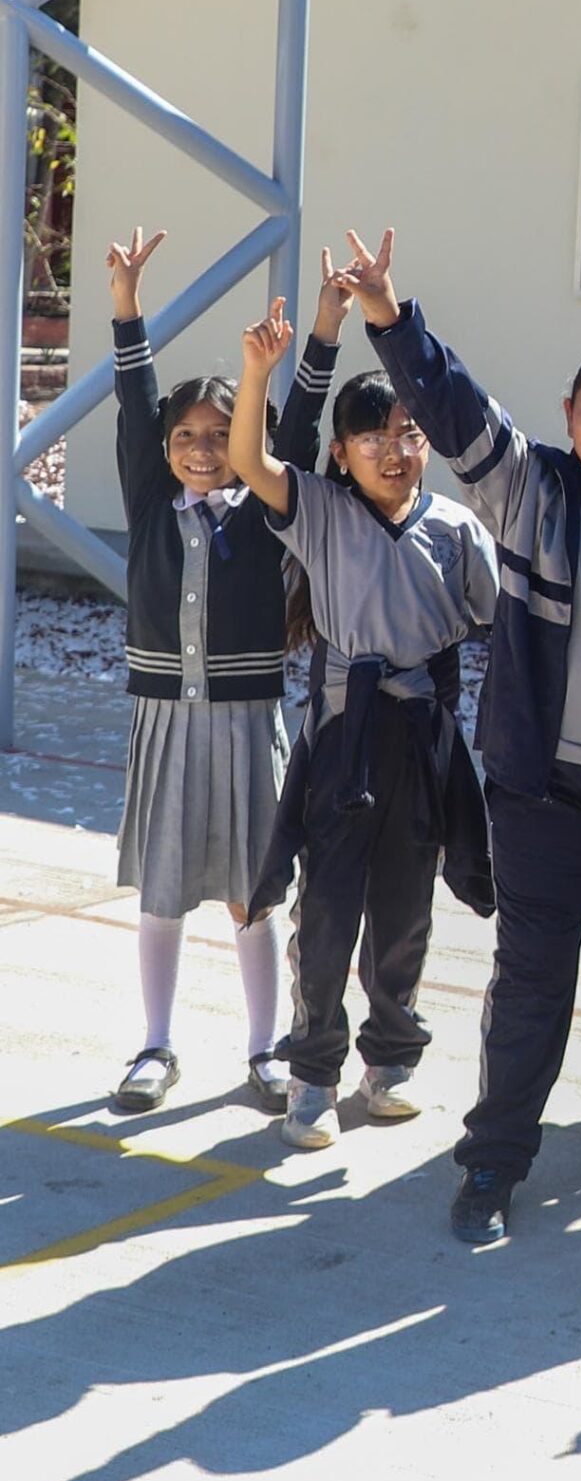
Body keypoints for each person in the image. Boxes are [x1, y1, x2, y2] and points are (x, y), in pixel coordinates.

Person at [347, 226, 581, 1245]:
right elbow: (451, 405)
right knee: (532, 976)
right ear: (568, 417)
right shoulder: (532, 490)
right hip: (545, 787)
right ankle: (496, 1157)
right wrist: (388, 314)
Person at [227, 298, 498, 1150]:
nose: (394, 450)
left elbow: (495, 620)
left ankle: (391, 1059)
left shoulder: (457, 527)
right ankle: (313, 1073)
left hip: (421, 740)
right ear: (341, 452)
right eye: (372, 436)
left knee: (405, 912)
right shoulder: (318, 509)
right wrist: (258, 372)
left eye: (409, 433)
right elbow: (247, 459)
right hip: (343, 740)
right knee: (327, 914)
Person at [103, 229, 341, 1116]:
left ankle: (264, 1049)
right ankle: (155, 1044)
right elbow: (134, 401)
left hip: (247, 724)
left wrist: (322, 330)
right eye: (186, 436)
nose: (203, 449)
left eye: (220, 435)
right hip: (165, 721)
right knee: (163, 892)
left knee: (253, 893)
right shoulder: (149, 499)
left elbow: (302, 423)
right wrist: (126, 304)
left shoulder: (266, 509)